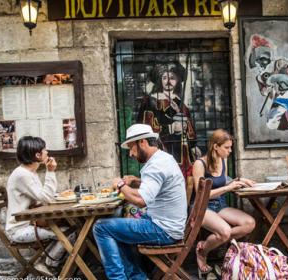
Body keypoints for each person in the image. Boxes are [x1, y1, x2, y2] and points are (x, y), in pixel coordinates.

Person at [93, 123, 187, 280]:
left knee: (101, 227)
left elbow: (141, 200)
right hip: (167, 224)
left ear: (142, 142)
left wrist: (120, 184)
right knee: (119, 228)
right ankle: (137, 277)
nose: (130, 153)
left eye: (131, 147)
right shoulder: (164, 158)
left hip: (163, 230)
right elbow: (155, 188)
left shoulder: (155, 165)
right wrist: (136, 181)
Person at [192, 129, 256, 277]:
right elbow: (201, 195)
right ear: (215, 146)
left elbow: (223, 181)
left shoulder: (222, 160)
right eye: (227, 147)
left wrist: (239, 180)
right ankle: (203, 252)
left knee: (249, 223)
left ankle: (209, 241)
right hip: (203, 207)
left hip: (219, 205)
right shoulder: (199, 164)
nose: (230, 151)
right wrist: (228, 187)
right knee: (225, 231)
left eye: (230, 147)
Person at [5, 136, 71, 275]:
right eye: (44, 149)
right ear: (37, 155)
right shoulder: (23, 175)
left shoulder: (28, 172)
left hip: (28, 224)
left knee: (70, 229)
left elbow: (42, 197)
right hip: (19, 230)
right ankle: (47, 263)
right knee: (68, 234)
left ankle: (45, 261)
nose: (47, 152)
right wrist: (51, 171)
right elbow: (45, 198)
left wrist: (58, 195)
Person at [137, 62, 200, 177]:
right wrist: (170, 128)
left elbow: (189, 127)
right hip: (163, 148)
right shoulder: (151, 101)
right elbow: (146, 128)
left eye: (172, 78)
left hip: (184, 153)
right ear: (160, 81)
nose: (168, 82)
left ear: (177, 81)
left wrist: (193, 145)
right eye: (164, 78)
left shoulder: (181, 104)